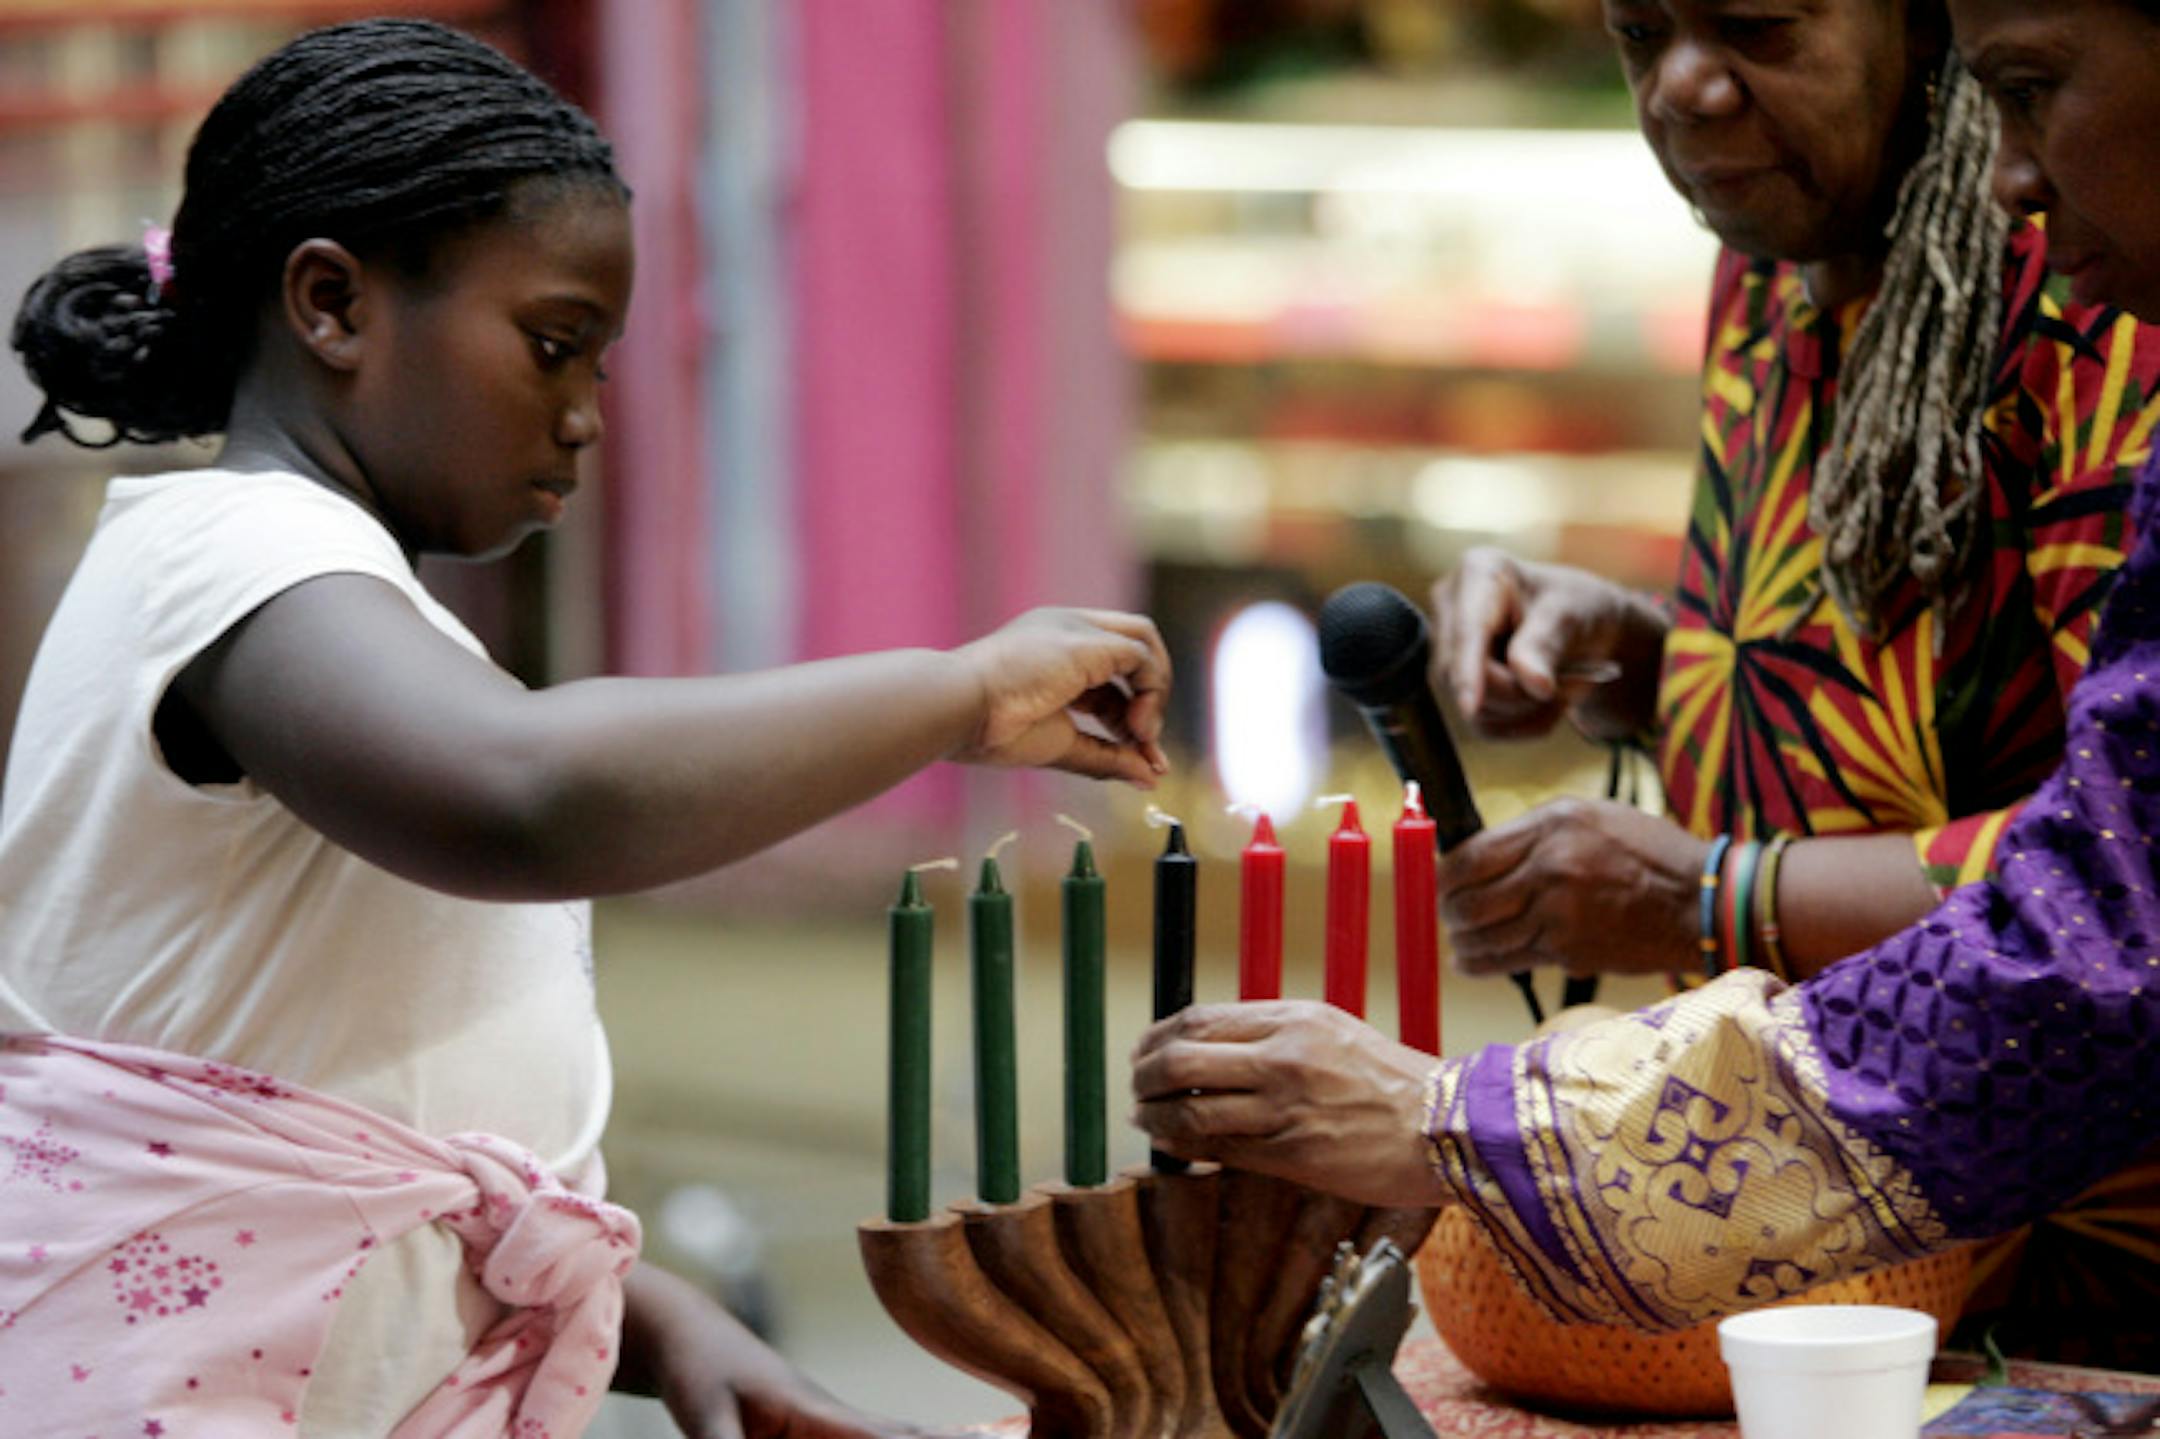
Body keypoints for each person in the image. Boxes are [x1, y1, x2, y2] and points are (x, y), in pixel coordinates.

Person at [0, 20, 1170, 1437]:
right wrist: (957, 693)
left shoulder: (325, 589)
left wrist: (666, 1320)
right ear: (332, 305)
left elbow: (390, 1107)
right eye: (552, 347)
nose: (584, 417)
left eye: (602, 366)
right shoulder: (233, 554)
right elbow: (526, 796)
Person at [1136, 0, 2160, 1368]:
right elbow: (1896, 684)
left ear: (1922, 34)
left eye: (1758, 25)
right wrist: (1649, 661)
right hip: (1829, 1186)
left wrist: (1690, 909)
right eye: (1636, 30)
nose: (1683, 84)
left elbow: (2102, 901)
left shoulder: (2105, 287)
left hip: (2064, 1232)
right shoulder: (1777, 260)